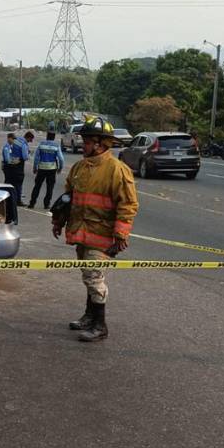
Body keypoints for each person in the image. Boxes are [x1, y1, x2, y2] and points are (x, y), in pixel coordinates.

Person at [52, 117, 138, 343]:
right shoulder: (80, 168)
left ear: (101, 144)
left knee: (93, 277)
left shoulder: (117, 170)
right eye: (84, 141)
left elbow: (127, 204)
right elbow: (68, 198)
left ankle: (100, 326)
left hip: (102, 236)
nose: (83, 145)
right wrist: (58, 221)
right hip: (81, 232)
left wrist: (121, 234)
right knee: (87, 275)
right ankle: (89, 316)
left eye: (88, 142)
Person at [28, 131, 65, 209]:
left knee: (37, 186)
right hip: (52, 169)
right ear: (54, 137)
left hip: (41, 168)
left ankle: (32, 203)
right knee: (50, 187)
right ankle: (46, 204)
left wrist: (35, 167)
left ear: (47, 136)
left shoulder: (41, 144)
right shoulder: (56, 145)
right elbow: (61, 159)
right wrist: (60, 168)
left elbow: (36, 157)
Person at [1, 132, 28, 215]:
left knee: (13, 183)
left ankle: (14, 199)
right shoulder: (6, 147)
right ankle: (6, 199)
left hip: (12, 167)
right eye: (13, 139)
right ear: (9, 138)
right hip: (8, 167)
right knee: (8, 183)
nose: (14, 141)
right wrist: (15, 161)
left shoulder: (11, 146)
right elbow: (7, 159)